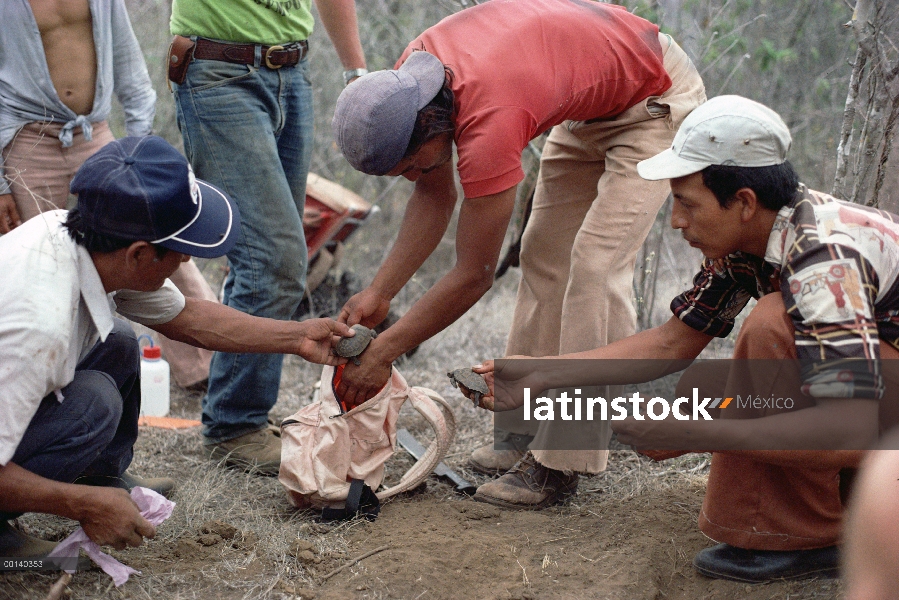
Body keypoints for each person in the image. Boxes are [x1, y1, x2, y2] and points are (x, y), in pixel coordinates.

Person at [470, 95, 899, 581]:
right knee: (712, 390)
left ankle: (807, 537)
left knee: (770, 327)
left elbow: (850, 429)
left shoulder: (823, 261)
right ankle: (819, 517)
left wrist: (696, 434)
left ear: (743, 202)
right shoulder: (761, 235)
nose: (676, 221)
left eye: (686, 203)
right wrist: (541, 374)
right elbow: (671, 343)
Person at [330, 0, 706, 508]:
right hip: (586, 106)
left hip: (654, 98)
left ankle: (563, 461)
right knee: (544, 256)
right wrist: (380, 292)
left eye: (411, 166)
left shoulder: (488, 121)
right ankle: (526, 428)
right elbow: (434, 194)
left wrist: (383, 351)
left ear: (434, 130)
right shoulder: (407, 89)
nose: (413, 178)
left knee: (594, 265)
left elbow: (473, 274)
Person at [0, 136, 353, 562]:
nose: (187, 263)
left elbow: (190, 319)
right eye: (182, 252)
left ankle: (98, 477)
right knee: (95, 402)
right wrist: (81, 506)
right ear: (140, 254)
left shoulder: (75, 236)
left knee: (118, 340)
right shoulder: (37, 327)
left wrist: (297, 338)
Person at [169, 0, 368, 475]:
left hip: (291, 72)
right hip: (219, 70)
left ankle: (241, 415)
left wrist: (356, 72)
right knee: (271, 258)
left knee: (274, 258)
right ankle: (234, 424)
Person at [0, 0, 218, 391]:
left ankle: (205, 369)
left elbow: (129, 64)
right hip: (27, 137)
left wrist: (138, 144)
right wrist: (0, 185)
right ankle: (53, 380)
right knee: (40, 261)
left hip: (93, 132)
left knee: (159, 232)